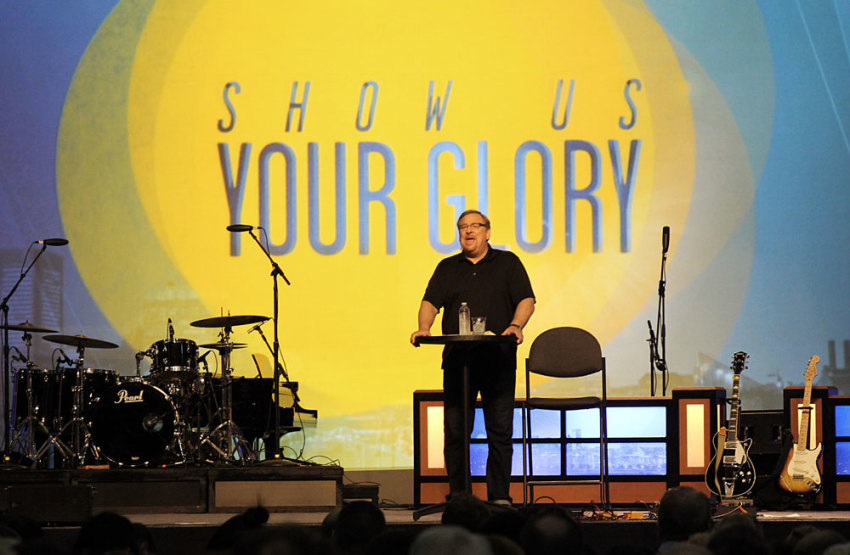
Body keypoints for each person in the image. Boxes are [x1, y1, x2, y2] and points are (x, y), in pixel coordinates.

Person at [410, 209, 535, 505]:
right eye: (462, 227)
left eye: (475, 226)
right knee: (455, 432)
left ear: (487, 232)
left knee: (500, 432)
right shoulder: (448, 267)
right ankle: (460, 498)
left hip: (498, 359)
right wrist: (423, 327)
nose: (468, 231)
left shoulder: (508, 263)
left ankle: (500, 498)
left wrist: (516, 325)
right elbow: (429, 302)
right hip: (458, 361)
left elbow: (526, 300)